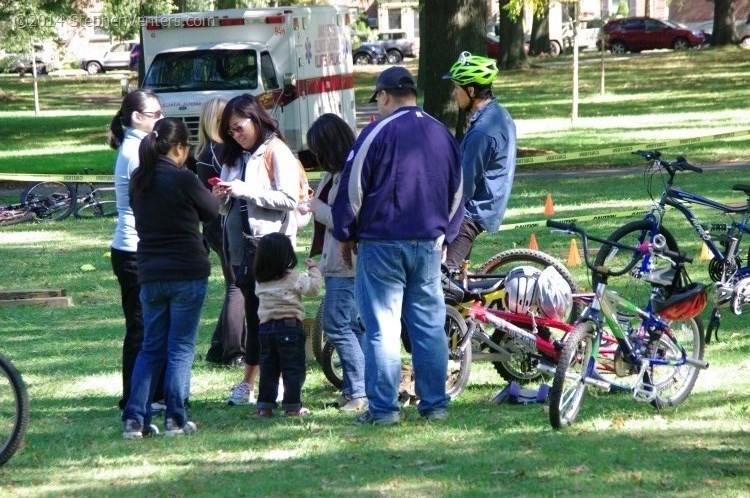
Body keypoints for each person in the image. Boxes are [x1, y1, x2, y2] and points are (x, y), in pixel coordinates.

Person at [332, 66, 464, 425]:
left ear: (385, 96)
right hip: (428, 243)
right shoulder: (441, 133)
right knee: (428, 326)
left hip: (382, 243)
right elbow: (458, 191)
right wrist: (445, 235)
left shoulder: (375, 132)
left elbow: (352, 189)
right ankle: (435, 405)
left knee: (382, 327)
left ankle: (385, 409)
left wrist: (346, 232)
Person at [122, 118, 220, 438]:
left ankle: (135, 418)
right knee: (179, 347)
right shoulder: (184, 178)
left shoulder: (139, 180)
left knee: (151, 347)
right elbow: (211, 211)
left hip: (150, 273)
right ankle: (175, 419)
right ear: (179, 148)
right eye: (186, 149)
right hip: (187, 272)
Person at [212, 94, 300, 406]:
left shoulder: (277, 151)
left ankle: (267, 382)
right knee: (253, 314)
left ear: (255, 118)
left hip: (270, 247)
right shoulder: (234, 158)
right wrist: (221, 195)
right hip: (241, 249)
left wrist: (246, 191)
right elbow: (224, 208)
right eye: (230, 131)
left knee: (271, 317)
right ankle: (252, 382)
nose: (236, 135)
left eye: (239, 128)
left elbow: (290, 199)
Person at [108, 89, 167, 412]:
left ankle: (148, 392)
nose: (161, 118)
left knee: (148, 323)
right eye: (155, 114)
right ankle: (135, 395)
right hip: (132, 250)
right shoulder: (136, 152)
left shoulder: (139, 147)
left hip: (136, 248)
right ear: (136, 118)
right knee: (141, 326)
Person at [306, 114, 367, 412]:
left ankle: (358, 393)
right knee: (350, 327)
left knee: (336, 323)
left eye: (317, 149)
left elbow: (346, 222)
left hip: (348, 264)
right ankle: (354, 388)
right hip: (333, 262)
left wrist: (317, 208)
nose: (314, 156)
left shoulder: (349, 176)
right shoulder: (332, 175)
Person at [442, 51, 517, 269]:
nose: (455, 93)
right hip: (483, 207)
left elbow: (465, 185)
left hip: (471, 214)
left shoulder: (482, 131)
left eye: (457, 88)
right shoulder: (499, 116)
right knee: (458, 276)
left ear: (471, 90)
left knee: (442, 277)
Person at [195, 97, 247, 368]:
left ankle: (218, 347)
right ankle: (234, 352)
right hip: (224, 225)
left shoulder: (204, 151)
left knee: (234, 284)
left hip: (214, 227)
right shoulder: (220, 151)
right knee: (236, 286)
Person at [253, 233, 322, 417]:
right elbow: (314, 290)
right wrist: (314, 270)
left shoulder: (260, 279)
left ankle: (265, 407)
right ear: (287, 255)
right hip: (290, 327)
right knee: (293, 368)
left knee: (268, 368)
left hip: (266, 329)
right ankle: (292, 407)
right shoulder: (292, 277)